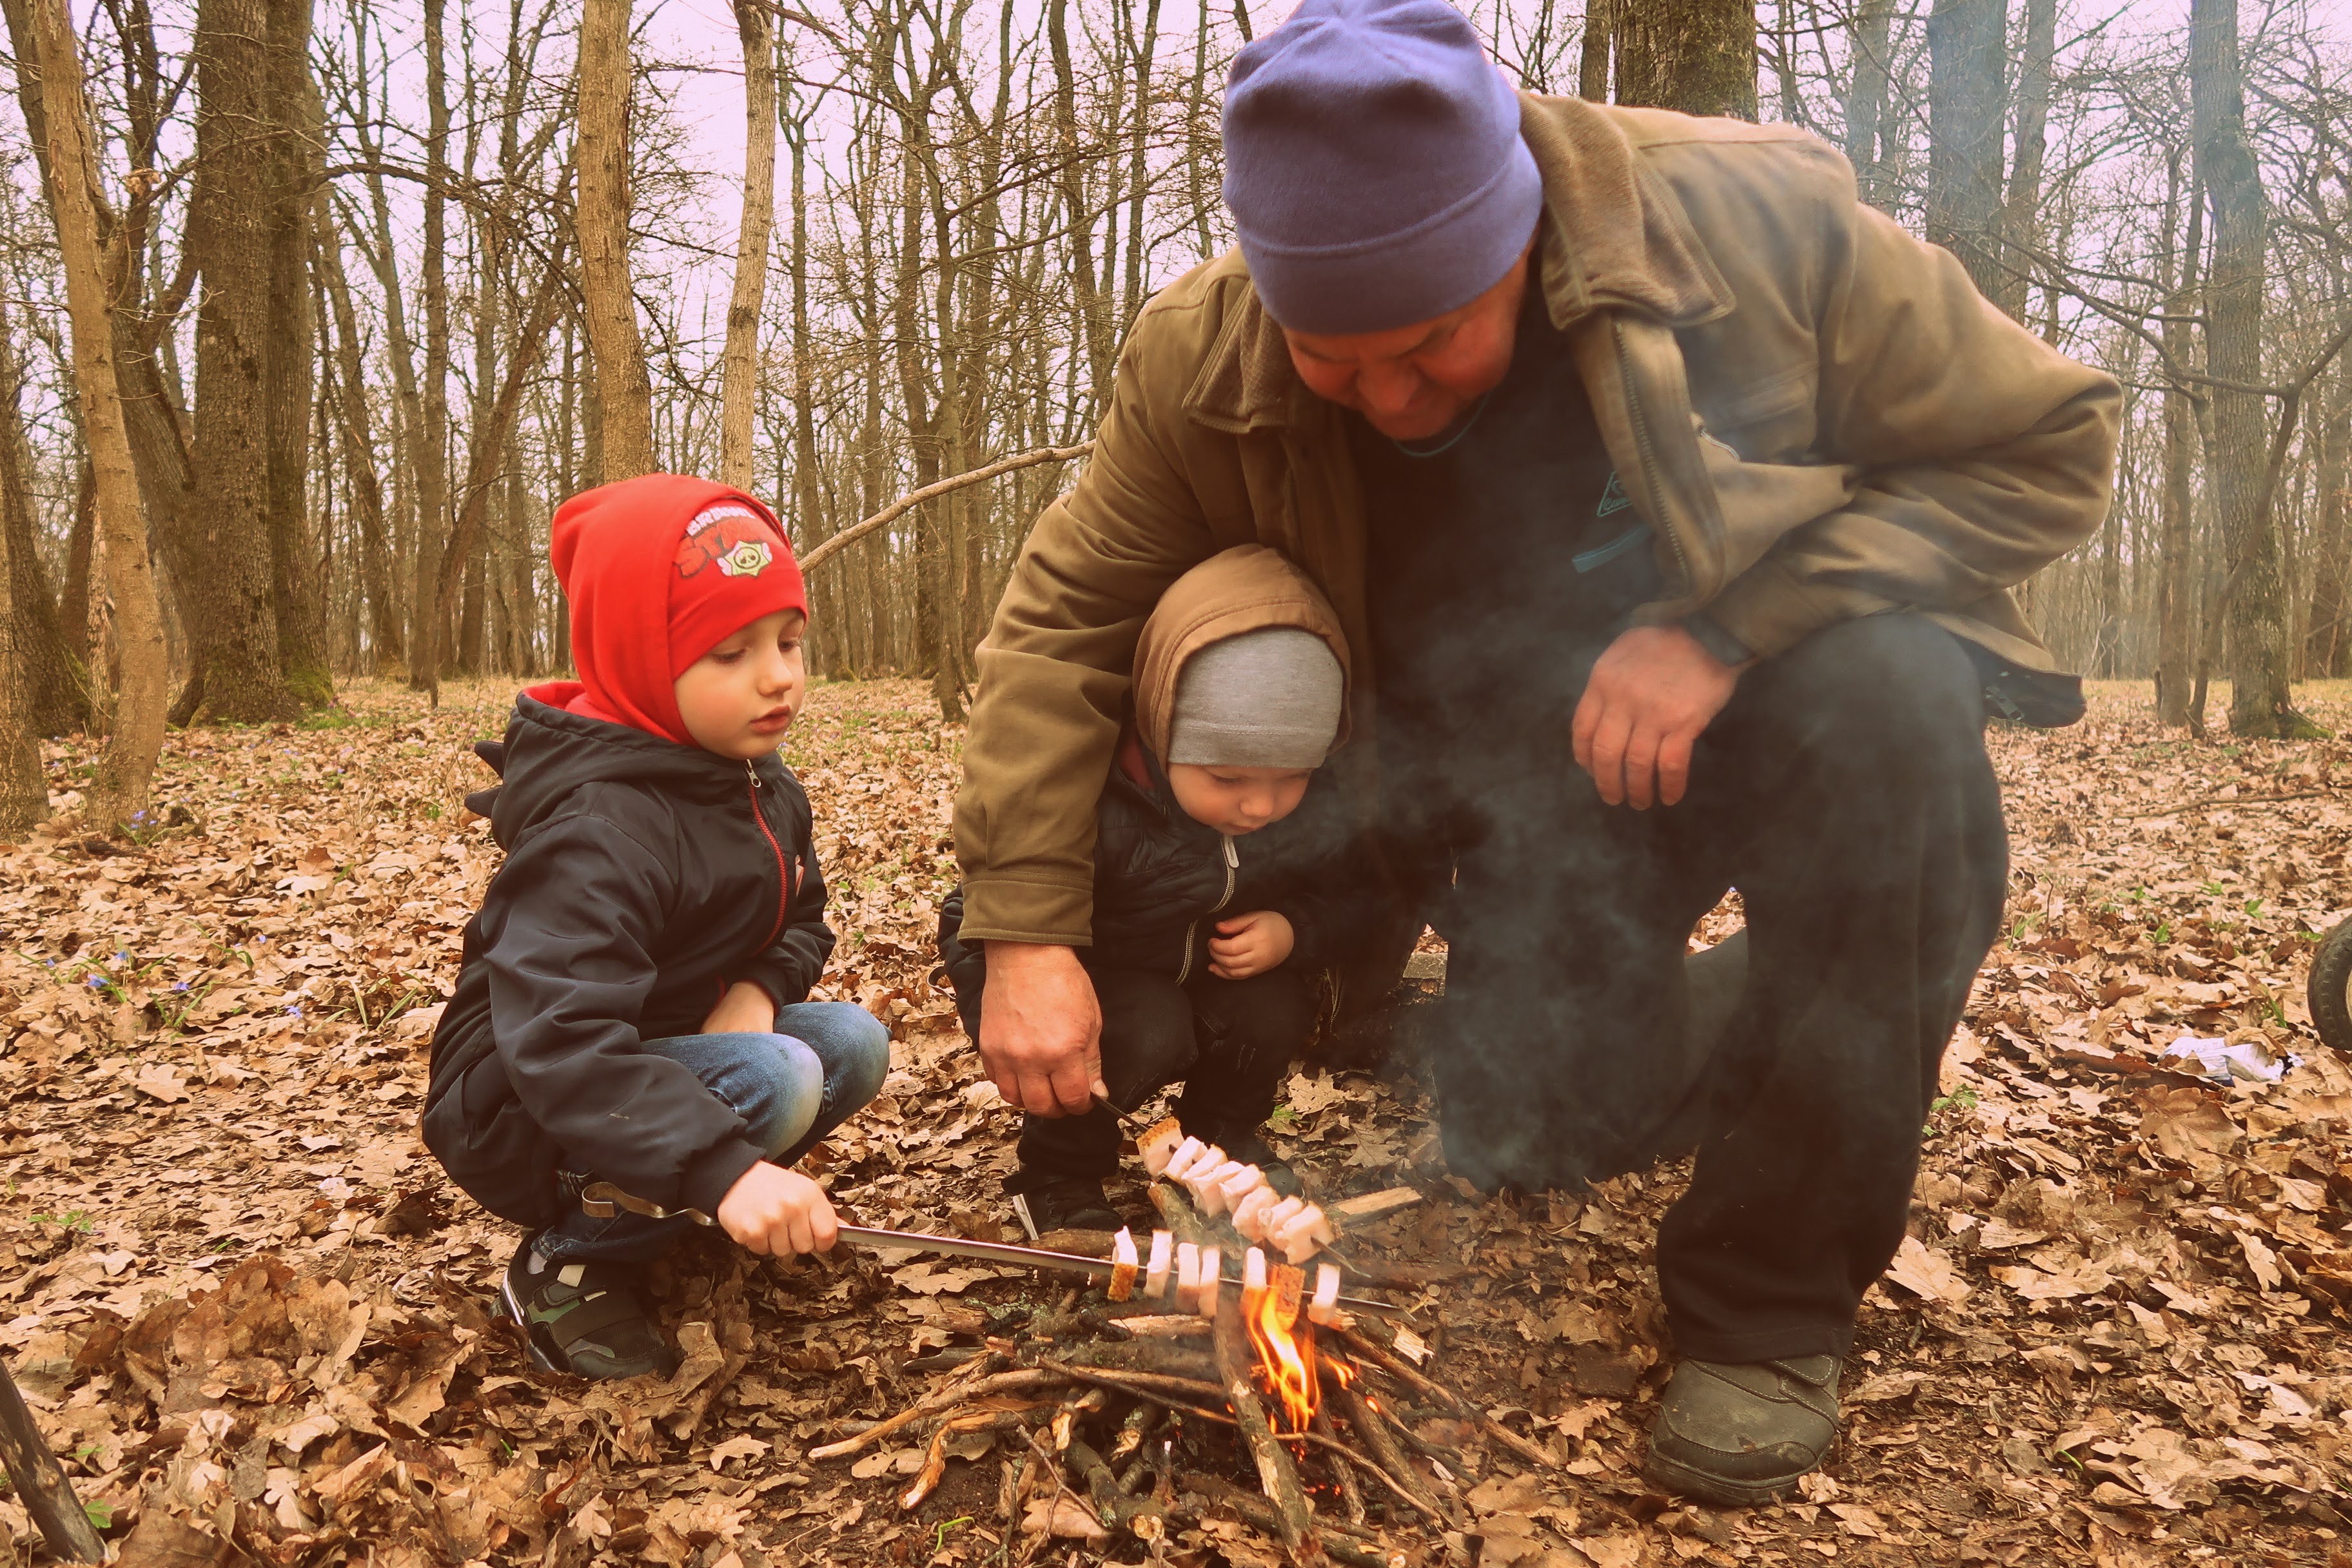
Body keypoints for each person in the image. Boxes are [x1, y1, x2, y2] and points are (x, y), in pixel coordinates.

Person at [950, 0, 2119, 1506]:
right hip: (1506, 797)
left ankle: (1767, 1299)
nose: (1390, 396)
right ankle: (1832, 985)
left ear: (1517, 238)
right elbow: (1059, 633)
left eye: (1432, 341)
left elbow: (2050, 446)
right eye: (1335, 356)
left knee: (1895, 684)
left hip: (1762, 708)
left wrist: (1731, 627)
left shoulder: (1748, 231)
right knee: (1547, 1121)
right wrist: (1027, 930)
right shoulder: (1203, 353)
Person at [422, 474, 891, 1381]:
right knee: (780, 1075)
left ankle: (658, 1201)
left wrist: (756, 991)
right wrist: (728, 1170)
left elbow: (803, 917)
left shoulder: (754, 780)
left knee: (852, 1041)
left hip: (659, 1054)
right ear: (641, 661)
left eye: (790, 642)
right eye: (731, 653)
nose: (779, 676)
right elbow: (561, 1044)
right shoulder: (601, 829)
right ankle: (571, 1262)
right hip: (520, 1103)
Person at [941, 545, 1362, 1237]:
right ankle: (1058, 1172)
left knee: (1272, 1004)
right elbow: (973, 915)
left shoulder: (1311, 810)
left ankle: (1217, 1145)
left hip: (1211, 980)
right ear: (1162, 732)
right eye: (1229, 779)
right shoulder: (1097, 800)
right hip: (1111, 991)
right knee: (1146, 1023)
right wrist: (1016, 992)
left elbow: (1357, 895)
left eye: (1291, 779)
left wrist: (1295, 928)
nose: (1260, 805)